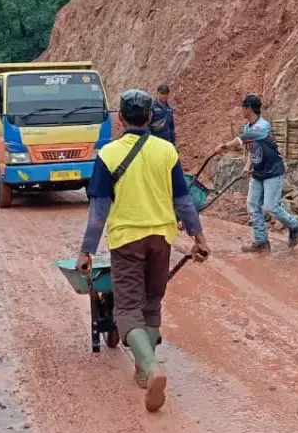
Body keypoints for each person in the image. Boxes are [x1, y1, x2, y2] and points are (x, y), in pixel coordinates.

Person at [78, 89, 210, 412]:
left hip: (126, 242)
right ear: (151, 117)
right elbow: (183, 201)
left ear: (120, 119)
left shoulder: (108, 155)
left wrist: (86, 252)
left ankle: (151, 369)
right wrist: (199, 237)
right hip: (161, 239)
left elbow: (99, 211)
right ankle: (142, 369)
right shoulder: (166, 151)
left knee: (126, 310)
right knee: (152, 304)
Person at [218, 94, 298, 252]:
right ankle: (261, 241)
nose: (241, 110)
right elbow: (252, 150)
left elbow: (245, 138)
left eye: (243, 107)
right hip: (258, 172)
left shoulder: (263, 126)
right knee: (252, 205)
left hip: (273, 170)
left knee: (271, 206)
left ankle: (295, 224)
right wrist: (246, 166)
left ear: (249, 109)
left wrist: (225, 145)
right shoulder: (247, 127)